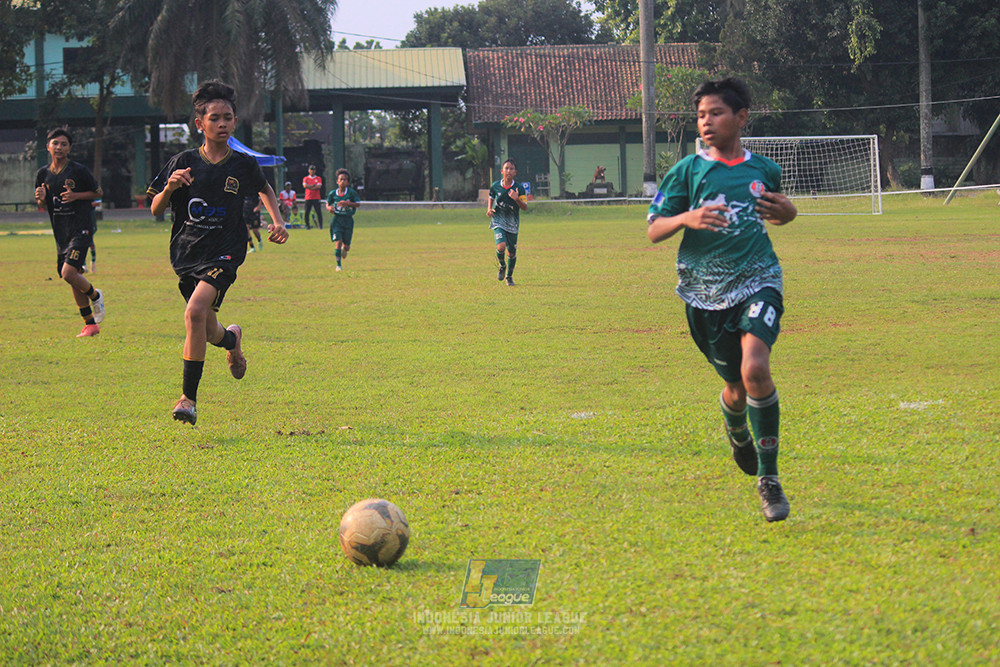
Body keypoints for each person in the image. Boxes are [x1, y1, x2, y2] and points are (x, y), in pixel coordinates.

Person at [645, 77, 798, 522]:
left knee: (755, 369)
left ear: (741, 117)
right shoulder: (687, 172)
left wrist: (789, 212)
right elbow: (654, 228)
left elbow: (779, 210)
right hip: (704, 295)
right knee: (735, 389)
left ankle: (768, 480)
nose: (706, 122)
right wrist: (687, 217)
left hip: (759, 279)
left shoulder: (764, 169)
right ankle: (736, 428)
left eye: (715, 113)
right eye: (701, 116)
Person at [148, 80, 289, 426]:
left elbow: (265, 189)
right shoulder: (181, 162)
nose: (222, 123)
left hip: (225, 253)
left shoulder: (241, 164)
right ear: (200, 124)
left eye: (228, 117)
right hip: (187, 254)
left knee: (194, 312)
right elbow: (154, 210)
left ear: (234, 121)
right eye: (215, 118)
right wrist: (169, 188)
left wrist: (278, 221)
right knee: (208, 329)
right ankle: (232, 339)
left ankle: (188, 400)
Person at [33, 128, 106, 337]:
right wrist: (41, 196)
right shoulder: (43, 174)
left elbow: (98, 193)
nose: (59, 147)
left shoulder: (78, 171)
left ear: (69, 148)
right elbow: (41, 201)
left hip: (81, 228)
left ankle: (95, 295)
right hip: (61, 232)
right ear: (48, 146)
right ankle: (90, 324)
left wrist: (76, 196)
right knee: (73, 276)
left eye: (64, 144)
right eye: (55, 143)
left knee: (69, 273)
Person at [487, 158, 527, 286]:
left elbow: (525, 207)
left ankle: (509, 277)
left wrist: (516, 199)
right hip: (498, 220)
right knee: (501, 246)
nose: (508, 171)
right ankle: (502, 265)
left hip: (512, 223)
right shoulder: (495, 185)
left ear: (515, 172)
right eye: (506, 168)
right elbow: (491, 196)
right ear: (502, 171)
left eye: (511, 169)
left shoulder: (519, 188)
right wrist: (489, 209)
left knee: (511, 252)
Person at [325, 168, 361, 272]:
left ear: (348, 182)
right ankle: (338, 265)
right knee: (338, 241)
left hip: (348, 221)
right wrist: (329, 208)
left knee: (347, 247)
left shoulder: (351, 193)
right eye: (340, 179)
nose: (342, 181)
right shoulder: (333, 193)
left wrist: (348, 203)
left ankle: (344, 249)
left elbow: (358, 203)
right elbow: (328, 203)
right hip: (337, 220)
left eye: (345, 180)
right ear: (337, 181)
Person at [302, 164, 324, 230]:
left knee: (318, 212)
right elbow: (305, 186)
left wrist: (310, 186)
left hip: (316, 197)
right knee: (307, 212)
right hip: (308, 197)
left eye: (313, 170)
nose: (312, 171)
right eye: (311, 170)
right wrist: (313, 186)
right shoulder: (306, 178)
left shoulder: (318, 178)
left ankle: (320, 226)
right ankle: (307, 225)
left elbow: (318, 186)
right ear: (309, 170)